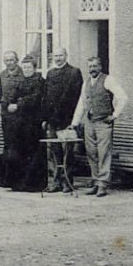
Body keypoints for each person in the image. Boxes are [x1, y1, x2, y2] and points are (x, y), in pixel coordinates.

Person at [72, 57, 129, 197]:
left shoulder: (108, 80)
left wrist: (114, 115)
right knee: (91, 153)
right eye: (90, 66)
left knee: (103, 153)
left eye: (95, 66)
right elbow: (81, 103)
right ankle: (95, 181)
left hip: (103, 123)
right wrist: (75, 122)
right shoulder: (86, 83)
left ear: (100, 66)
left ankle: (103, 184)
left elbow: (123, 97)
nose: (92, 69)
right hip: (89, 122)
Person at [41, 48, 85, 192]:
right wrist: (46, 118)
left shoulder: (74, 72)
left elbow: (76, 98)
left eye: (61, 55)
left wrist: (73, 121)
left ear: (66, 56)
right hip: (52, 121)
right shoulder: (50, 73)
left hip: (67, 120)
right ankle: (55, 182)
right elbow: (45, 97)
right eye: (56, 56)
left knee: (68, 153)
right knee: (54, 152)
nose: (58, 58)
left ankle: (67, 182)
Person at [5, 54, 46, 192]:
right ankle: (18, 183)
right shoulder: (21, 81)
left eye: (29, 67)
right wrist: (11, 102)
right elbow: (12, 96)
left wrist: (18, 104)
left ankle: (33, 184)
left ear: (34, 68)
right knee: (19, 152)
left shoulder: (39, 81)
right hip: (20, 123)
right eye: (25, 67)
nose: (27, 70)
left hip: (33, 123)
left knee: (33, 153)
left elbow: (35, 98)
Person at [0, 51, 25, 188]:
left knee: (18, 147)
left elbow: (25, 93)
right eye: (6, 60)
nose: (9, 63)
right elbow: (0, 95)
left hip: (19, 116)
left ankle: (18, 180)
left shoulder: (23, 74)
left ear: (17, 60)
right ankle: (7, 180)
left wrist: (17, 106)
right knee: (8, 147)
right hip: (6, 116)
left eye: (12, 60)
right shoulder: (2, 75)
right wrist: (5, 106)